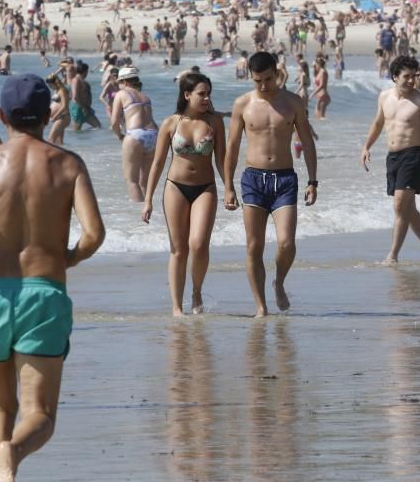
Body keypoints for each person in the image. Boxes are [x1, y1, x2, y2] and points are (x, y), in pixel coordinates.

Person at [0, 74, 105, 482]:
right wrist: (69, 258)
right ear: (50, 113)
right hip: (43, 293)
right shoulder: (68, 164)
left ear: (1, 115)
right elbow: (93, 234)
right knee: (40, 413)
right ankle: (12, 454)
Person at [224, 51, 318, 318]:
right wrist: (228, 186)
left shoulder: (293, 103)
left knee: (287, 243)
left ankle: (279, 282)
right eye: (258, 81)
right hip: (253, 178)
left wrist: (313, 180)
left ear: (277, 73)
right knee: (254, 246)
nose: (264, 86)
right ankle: (261, 307)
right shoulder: (243, 104)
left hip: (284, 179)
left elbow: (307, 143)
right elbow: (231, 148)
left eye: (268, 79)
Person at [142, 73, 227, 316]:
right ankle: (177, 307)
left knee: (198, 244)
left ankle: (197, 291)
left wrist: (229, 188)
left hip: (205, 188)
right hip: (175, 188)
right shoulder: (170, 123)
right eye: (202, 93)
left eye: (209, 93)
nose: (206, 98)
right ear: (187, 95)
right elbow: (157, 164)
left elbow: (221, 160)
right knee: (179, 249)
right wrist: (147, 199)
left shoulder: (214, 123)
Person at [361, 56, 420, 263]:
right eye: (406, 76)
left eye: (413, 76)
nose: (411, 80)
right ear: (394, 77)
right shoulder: (384, 97)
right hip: (393, 157)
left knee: (399, 205)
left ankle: (392, 255)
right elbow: (378, 122)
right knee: (408, 208)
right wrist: (366, 146)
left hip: (413, 155)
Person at [110, 67, 158, 202]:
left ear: (124, 82)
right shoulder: (145, 97)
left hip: (135, 134)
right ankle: (147, 215)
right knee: (144, 182)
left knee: (132, 181)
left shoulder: (121, 94)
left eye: (119, 82)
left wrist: (120, 135)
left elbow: (114, 122)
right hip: (154, 134)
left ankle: (137, 218)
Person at [69, 62, 101, 131]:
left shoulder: (82, 81)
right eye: (87, 71)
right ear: (85, 71)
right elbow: (75, 96)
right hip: (79, 108)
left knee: (98, 127)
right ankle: (79, 140)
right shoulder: (76, 80)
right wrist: (83, 108)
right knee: (77, 131)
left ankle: (86, 137)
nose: (87, 73)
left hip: (86, 108)